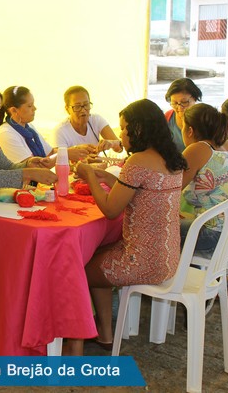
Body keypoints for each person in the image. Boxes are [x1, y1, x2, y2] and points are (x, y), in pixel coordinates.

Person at [74, 99, 187, 356]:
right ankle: (104, 333)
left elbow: (111, 209)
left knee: (78, 268)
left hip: (142, 261)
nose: (121, 134)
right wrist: (108, 177)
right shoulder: (171, 158)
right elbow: (142, 188)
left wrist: (90, 175)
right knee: (96, 256)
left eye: (124, 128)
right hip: (168, 257)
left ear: (138, 129)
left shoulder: (138, 161)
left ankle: (76, 340)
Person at [180, 103, 228, 262]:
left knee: (152, 230)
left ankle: (164, 277)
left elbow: (169, 189)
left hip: (220, 241)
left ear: (190, 130)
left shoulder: (197, 149)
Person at [0, 85, 94, 164]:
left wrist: (76, 149)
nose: (35, 108)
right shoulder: (6, 134)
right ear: (14, 110)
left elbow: (50, 153)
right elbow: (31, 168)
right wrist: (66, 154)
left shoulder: (29, 128)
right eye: (29, 106)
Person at [53, 85, 123, 155]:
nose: (83, 110)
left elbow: (120, 148)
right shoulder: (60, 131)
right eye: (77, 106)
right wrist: (75, 150)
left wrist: (112, 143)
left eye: (86, 105)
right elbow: (56, 158)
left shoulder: (96, 120)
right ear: (67, 109)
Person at [163, 78, 203, 152]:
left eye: (184, 102)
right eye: (174, 103)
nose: (179, 107)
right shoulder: (167, 117)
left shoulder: (204, 118)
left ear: (195, 98)